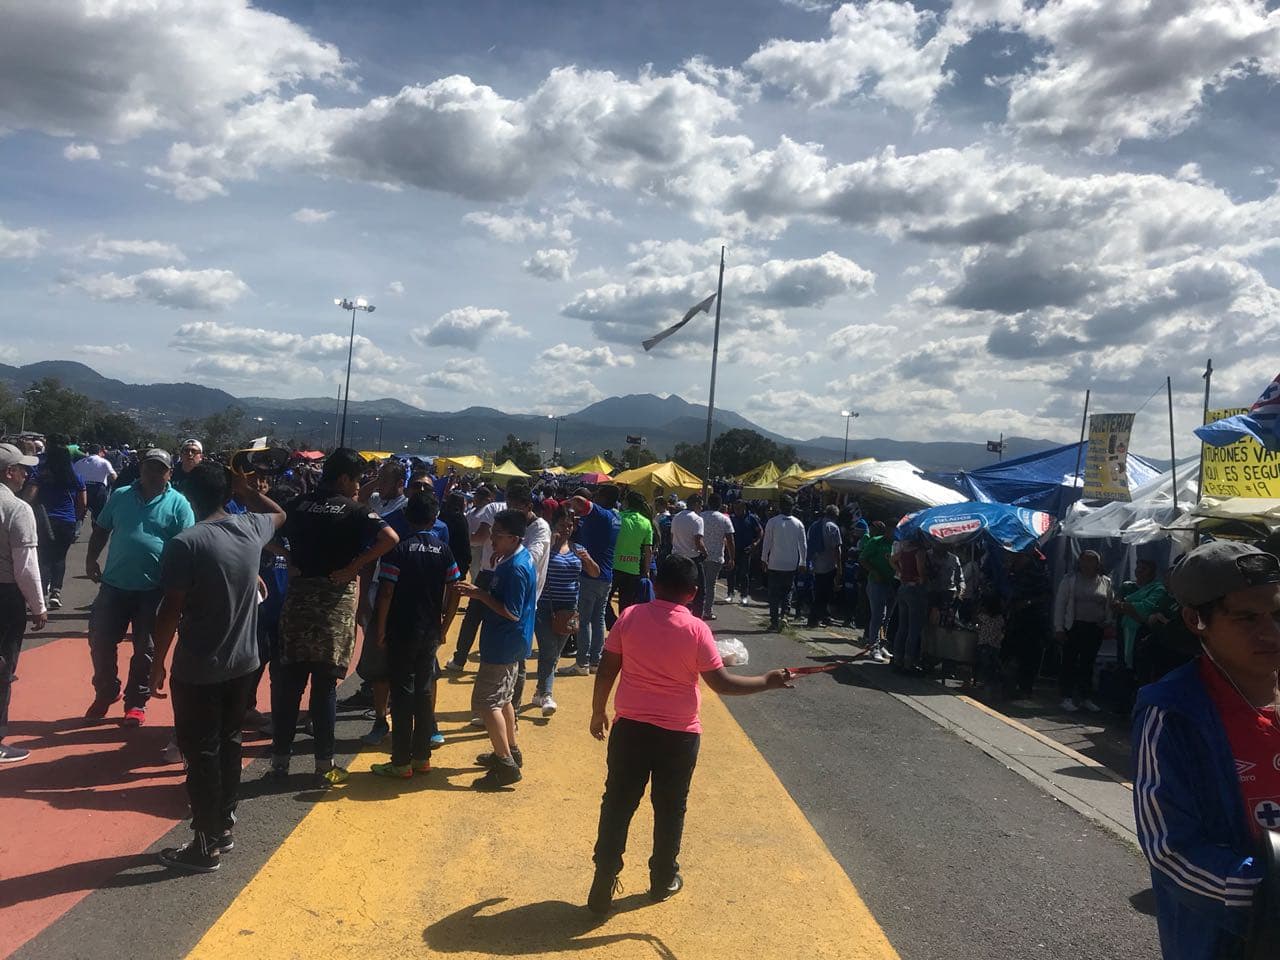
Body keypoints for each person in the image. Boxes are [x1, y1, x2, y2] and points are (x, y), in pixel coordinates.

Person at [586, 555, 793, 914]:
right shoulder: (697, 630)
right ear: (693, 593)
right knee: (669, 810)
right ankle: (661, 879)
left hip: (630, 728)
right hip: (678, 736)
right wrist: (768, 681)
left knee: (617, 805)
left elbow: (607, 669)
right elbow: (723, 684)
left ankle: (603, 883)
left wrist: (598, 710)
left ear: (655, 581)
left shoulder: (630, 616)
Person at [1133, 541, 1280, 960]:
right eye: (1247, 618)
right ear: (1196, 620)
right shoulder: (1172, 711)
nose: (1270, 633)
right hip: (1224, 942)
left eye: (1278, 614)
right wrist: (1269, 895)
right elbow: (1169, 850)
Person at [149, 463, 285, 872]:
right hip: (244, 662)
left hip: (201, 667)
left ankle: (204, 845)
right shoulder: (251, 528)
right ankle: (223, 827)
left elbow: (170, 611)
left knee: (201, 753)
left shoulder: (186, 542)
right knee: (229, 744)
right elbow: (280, 512)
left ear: (189, 496)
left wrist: (157, 663)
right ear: (228, 493)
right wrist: (246, 490)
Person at [270, 449, 398, 784]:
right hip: (334, 602)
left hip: (297, 600)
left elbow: (264, 532)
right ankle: (323, 764)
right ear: (343, 478)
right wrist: (354, 567)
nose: (359, 487)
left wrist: (288, 559)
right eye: (356, 480)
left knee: (291, 685)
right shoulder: (355, 511)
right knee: (325, 686)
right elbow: (390, 538)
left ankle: (279, 763)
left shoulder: (297, 504)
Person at [84, 449, 195, 727]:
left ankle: (136, 702)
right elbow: (101, 528)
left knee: (146, 649)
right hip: (114, 585)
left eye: (160, 468)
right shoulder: (121, 495)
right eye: (149, 467)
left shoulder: (179, 504)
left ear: (170, 472)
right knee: (99, 640)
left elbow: (189, 545)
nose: (153, 473)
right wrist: (90, 558)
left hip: (154, 590)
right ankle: (107, 690)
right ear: (141, 469)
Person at [368, 490, 461, 779]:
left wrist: (380, 629)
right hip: (430, 631)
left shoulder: (398, 549)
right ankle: (422, 757)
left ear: (407, 518)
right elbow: (455, 589)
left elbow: (386, 592)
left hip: (402, 628)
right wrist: (445, 626)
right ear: (434, 519)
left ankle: (400, 761)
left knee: (402, 692)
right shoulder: (444, 550)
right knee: (423, 692)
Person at [456, 509, 537, 790]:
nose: (492, 539)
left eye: (497, 535)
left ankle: (505, 763)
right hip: (511, 641)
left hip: (504, 641)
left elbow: (511, 612)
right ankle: (509, 750)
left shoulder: (515, 567)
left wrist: (479, 594)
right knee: (503, 699)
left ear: (514, 538)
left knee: (486, 702)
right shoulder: (514, 559)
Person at [0, 443, 47, 763]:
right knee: (3, 667)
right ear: (9, 472)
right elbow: (26, 566)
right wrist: (38, 605)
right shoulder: (17, 509)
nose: (26, 473)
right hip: (5, 595)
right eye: (22, 468)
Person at [533, 507, 599, 717]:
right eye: (562, 525)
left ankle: (538, 692)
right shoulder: (547, 547)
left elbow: (595, 573)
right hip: (545, 607)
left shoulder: (577, 548)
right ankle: (547, 694)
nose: (567, 529)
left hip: (569, 610)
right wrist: (549, 545)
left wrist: (587, 559)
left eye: (570, 525)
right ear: (554, 525)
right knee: (548, 649)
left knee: (554, 654)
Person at [559, 486, 621, 677]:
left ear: (603, 497)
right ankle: (595, 660)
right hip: (606, 574)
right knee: (598, 618)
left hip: (589, 574)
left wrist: (568, 503)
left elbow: (579, 500)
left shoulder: (600, 513)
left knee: (583, 621)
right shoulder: (617, 517)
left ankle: (582, 662)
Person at [444, 485, 502, 673]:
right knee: (489, 617)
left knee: (473, 617)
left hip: (487, 569)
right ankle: (486, 662)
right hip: (488, 566)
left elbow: (480, 536)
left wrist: (463, 538)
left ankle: (461, 658)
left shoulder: (490, 509)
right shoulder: (489, 510)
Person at [506, 482, 550, 711]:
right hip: (511, 593)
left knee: (518, 656)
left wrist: (508, 549)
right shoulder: (517, 525)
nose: (511, 511)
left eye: (516, 507)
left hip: (528, 599)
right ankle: (501, 705)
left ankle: (512, 709)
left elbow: (532, 558)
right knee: (507, 655)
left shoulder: (540, 528)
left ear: (528, 506)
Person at [1053, 549, 1113, 713]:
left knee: (1088, 663)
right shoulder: (1070, 580)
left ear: (1098, 564)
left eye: (1092, 561)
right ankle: (1066, 696)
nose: (1088, 564)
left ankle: (1085, 696)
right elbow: (1060, 604)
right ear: (1079, 562)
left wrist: (1107, 621)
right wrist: (1059, 628)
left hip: (1094, 627)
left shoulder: (1105, 582)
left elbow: (1108, 603)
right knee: (1069, 662)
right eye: (1085, 560)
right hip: (1074, 626)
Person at [36, 442, 86, 612]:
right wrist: (77, 518)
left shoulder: (42, 476)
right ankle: (56, 592)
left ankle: (41, 592)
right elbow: (82, 502)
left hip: (45, 519)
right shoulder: (75, 477)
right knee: (59, 557)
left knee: (43, 556)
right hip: (66, 520)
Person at [1005, 548, 1052, 701]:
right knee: (1011, 651)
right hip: (1015, 618)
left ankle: (1025, 688)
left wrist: (1027, 602)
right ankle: (1010, 684)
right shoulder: (1012, 571)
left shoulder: (1038, 571)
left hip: (1034, 618)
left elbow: (1046, 595)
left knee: (1030, 655)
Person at [761, 495, 806, 633]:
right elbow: (803, 545)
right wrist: (803, 561)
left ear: (780, 506)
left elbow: (767, 542)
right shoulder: (799, 524)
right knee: (788, 590)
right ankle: (785, 614)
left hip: (775, 562)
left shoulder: (772, 522)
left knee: (774, 593)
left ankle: (774, 621)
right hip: (791, 563)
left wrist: (764, 558)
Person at [890, 534, 928, 673]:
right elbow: (921, 570)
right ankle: (908, 662)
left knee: (902, 627)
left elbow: (892, 560)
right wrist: (923, 579)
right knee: (914, 629)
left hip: (903, 587)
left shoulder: (905, 550)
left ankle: (897, 658)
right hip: (914, 589)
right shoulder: (919, 551)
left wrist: (900, 572)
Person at [612, 491, 654, 614]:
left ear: (627, 503)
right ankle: (623, 629)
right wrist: (646, 571)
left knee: (604, 601)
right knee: (626, 606)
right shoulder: (646, 522)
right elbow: (648, 550)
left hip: (615, 566)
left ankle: (613, 623)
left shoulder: (618, 517)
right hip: (633, 569)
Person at [698, 494, 734, 621]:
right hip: (716, 556)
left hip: (700, 554)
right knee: (711, 584)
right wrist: (732, 557)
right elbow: (730, 539)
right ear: (719, 505)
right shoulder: (724, 519)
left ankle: (697, 608)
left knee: (699, 583)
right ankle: (707, 611)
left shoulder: (700, 517)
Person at [670, 494, 707, 616]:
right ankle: (697, 618)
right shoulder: (697, 519)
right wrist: (705, 552)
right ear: (696, 504)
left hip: (676, 558)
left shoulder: (676, 517)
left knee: (677, 590)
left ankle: (676, 614)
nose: (701, 508)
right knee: (699, 592)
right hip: (692, 559)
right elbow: (698, 542)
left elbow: (672, 537)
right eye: (700, 505)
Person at [806, 505, 842, 628]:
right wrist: (839, 568)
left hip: (815, 564)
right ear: (835, 516)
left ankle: (821, 617)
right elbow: (837, 550)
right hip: (829, 566)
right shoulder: (833, 528)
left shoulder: (814, 526)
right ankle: (814, 619)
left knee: (818, 592)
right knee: (824, 594)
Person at [727, 500, 762, 606]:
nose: (736, 511)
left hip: (746, 549)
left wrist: (755, 543)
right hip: (733, 549)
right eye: (735, 508)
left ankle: (744, 595)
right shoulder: (731, 518)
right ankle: (730, 593)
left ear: (743, 508)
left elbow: (760, 531)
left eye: (738, 508)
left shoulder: (751, 518)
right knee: (731, 571)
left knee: (744, 573)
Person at [74, 442, 117, 523]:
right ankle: (97, 532)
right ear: (100, 451)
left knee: (79, 513)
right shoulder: (104, 462)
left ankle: (76, 531)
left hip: (82, 489)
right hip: (98, 489)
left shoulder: (79, 462)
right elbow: (113, 476)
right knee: (98, 516)